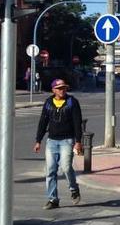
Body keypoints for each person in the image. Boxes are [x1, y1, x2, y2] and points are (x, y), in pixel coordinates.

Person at [34, 79, 83, 210]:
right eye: (60, 88)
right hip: (52, 141)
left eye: (64, 88)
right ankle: (52, 199)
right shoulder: (49, 103)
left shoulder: (72, 102)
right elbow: (43, 122)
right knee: (50, 171)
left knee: (66, 167)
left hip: (67, 140)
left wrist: (78, 142)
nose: (62, 90)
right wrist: (38, 140)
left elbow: (77, 123)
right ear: (53, 90)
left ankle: (73, 189)